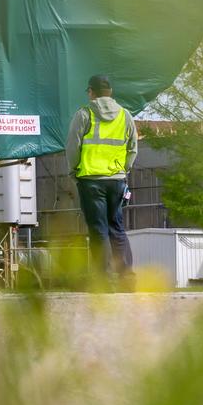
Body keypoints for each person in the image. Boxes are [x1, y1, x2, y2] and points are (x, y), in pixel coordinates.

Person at [65, 74, 138, 287]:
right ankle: (127, 279)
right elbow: (133, 148)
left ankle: (104, 281)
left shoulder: (84, 114)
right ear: (111, 92)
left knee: (99, 230)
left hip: (91, 180)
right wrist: (123, 170)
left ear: (91, 92)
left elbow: (72, 146)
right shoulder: (125, 115)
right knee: (117, 228)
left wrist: (73, 171)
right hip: (116, 180)